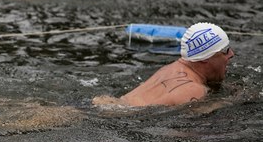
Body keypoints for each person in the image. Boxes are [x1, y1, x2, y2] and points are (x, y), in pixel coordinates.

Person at [95, 22, 234, 107]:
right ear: (205, 58)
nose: (231, 54)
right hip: (115, 116)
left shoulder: (172, 68)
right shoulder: (195, 90)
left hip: (107, 105)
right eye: (225, 51)